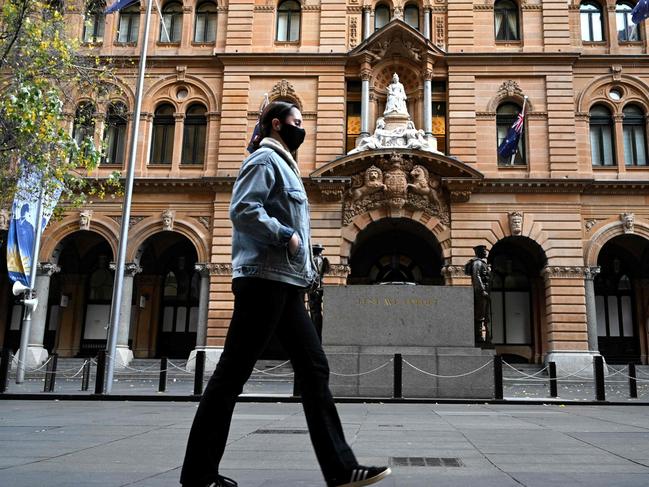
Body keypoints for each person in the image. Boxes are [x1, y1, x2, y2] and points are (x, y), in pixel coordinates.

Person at [180, 101, 391, 487]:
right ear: (277, 125)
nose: (302, 128)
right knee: (232, 375)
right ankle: (198, 474)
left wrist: (304, 264)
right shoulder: (264, 159)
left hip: (287, 282)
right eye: (296, 122)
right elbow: (243, 209)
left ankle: (342, 469)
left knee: (314, 369)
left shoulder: (286, 165)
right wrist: (286, 235)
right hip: (264, 279)